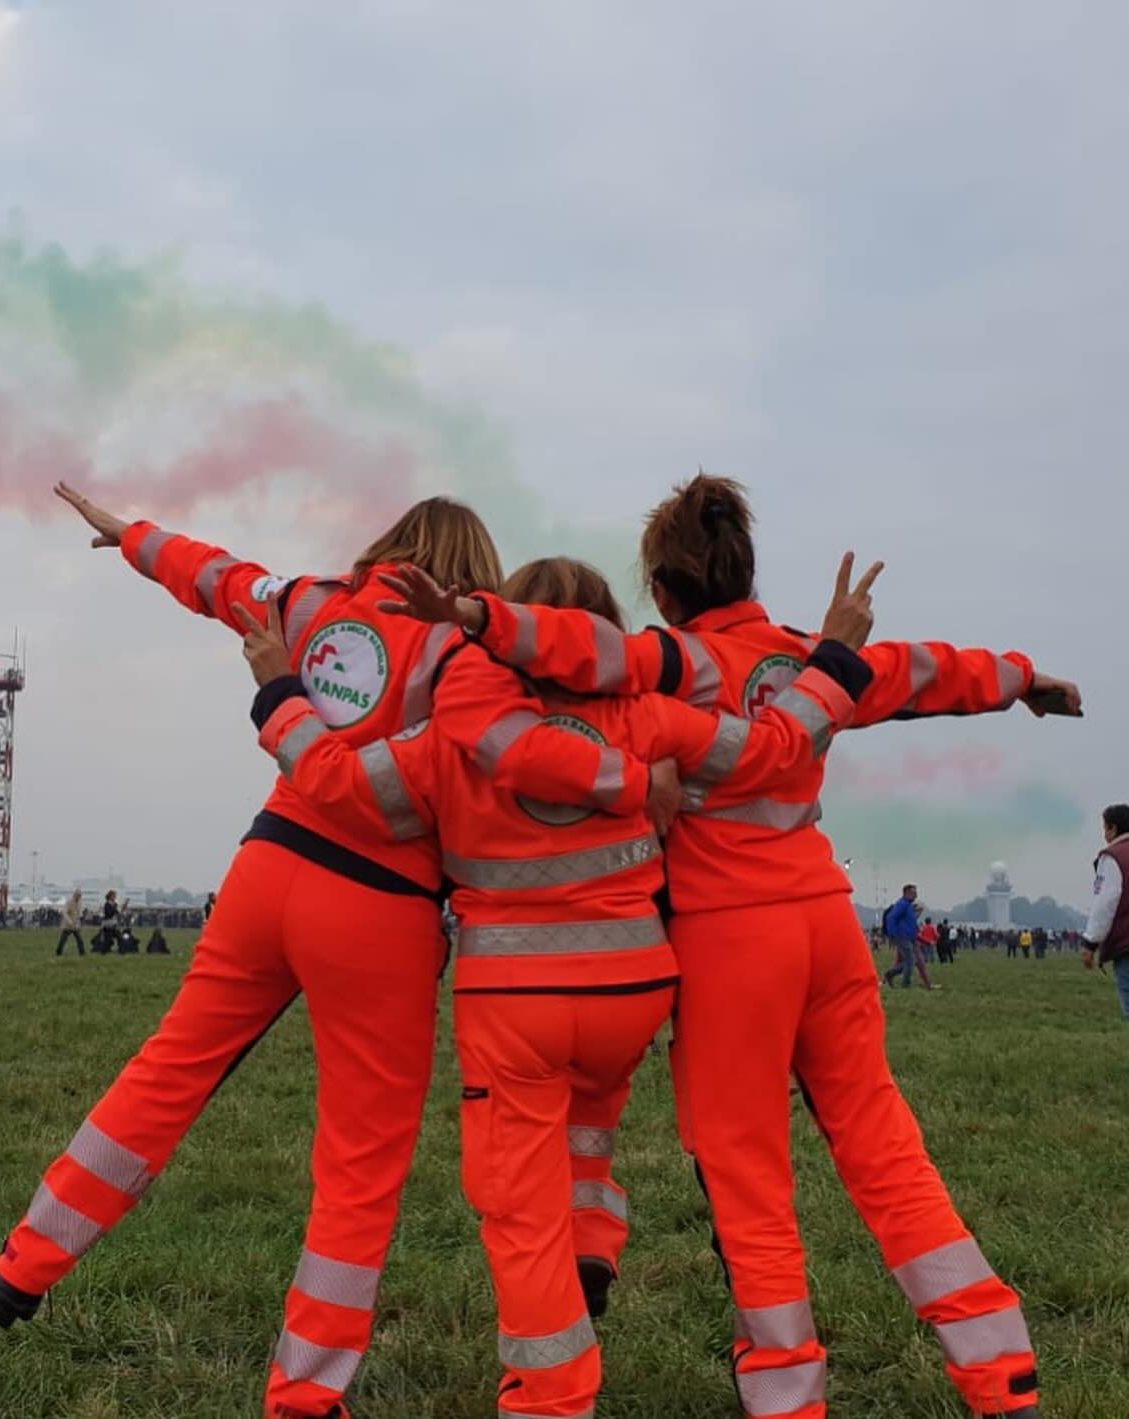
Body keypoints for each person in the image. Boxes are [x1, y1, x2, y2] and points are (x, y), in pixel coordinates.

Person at [382, 473, 1079, 1419]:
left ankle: (788, 1393)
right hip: (827, 921)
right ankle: (1000, 1366)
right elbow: (914, 672)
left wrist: (478, 616)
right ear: (748, 568)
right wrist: (1022, 677)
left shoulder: (667, 666)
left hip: (725, 943)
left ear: (663, 592)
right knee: (885, 1145)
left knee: (749, 1175)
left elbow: (570, 647)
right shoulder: (805, 655)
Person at [0, 486, 628, 1419]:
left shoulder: (310, 599)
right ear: (473, 574)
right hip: (381, 908)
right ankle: (305, 1397)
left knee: (167, 1072)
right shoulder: (466, 651)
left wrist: (130, 536)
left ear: (386, 547)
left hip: (267, 867)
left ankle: (23, 1264)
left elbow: (215, 576)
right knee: (359, 1165)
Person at [236, 554, 876, 1419]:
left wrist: (281, 694)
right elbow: (773, 750)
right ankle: (595, 1241)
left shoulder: (454, 738)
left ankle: (551, 1390)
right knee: (591, 1115)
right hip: (634, 988)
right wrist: (832, 661)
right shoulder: (647, 716)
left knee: (520, 1211)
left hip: (515, 1002)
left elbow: (336, 786)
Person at [1082, 803, 1129, 1020]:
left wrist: (1091, 943)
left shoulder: (1113, 857)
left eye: (1104, 828)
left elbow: (1106, 901)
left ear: (1113, 828)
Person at [883, 886, 926, 990]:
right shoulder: (902, 904)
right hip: (902, 936)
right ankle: (905, 984)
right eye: (913, 893)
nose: (916, 895)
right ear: (906, 893)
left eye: (916, 892)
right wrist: (893, 933)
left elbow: (909, 921)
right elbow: (891, 917)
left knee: (910, 961)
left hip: (909, 936)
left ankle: (890, 974)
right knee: (910, 961)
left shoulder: (908, 906)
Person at [56, 890, 86, 956]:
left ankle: (82, 953)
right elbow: (64, 912)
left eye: (80, 896)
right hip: (67, 925)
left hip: (75, 926)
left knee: (80, 940)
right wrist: (69, 921)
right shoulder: (69, 903)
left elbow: (79, 914)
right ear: (74, 895)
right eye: (77, 896)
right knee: (63, 940)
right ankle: (58, 952)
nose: (78, 897)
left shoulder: (79, 903)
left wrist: (80, 922)